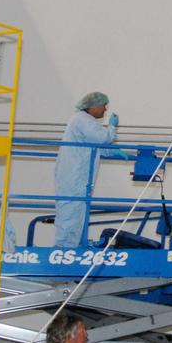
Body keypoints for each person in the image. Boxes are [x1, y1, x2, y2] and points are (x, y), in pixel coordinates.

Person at [54, 92, 119, 247]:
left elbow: (95, 146)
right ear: (93, 106)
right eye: (103, 106)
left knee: (76, 213)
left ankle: (70, 246)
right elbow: (102, 138)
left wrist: (113, 151)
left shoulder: (84, 121)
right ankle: (63, 249)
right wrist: (112, 127)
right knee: (71, 213)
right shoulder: (82, 120)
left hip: (76, 176)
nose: (105, 110)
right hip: (74, 176)